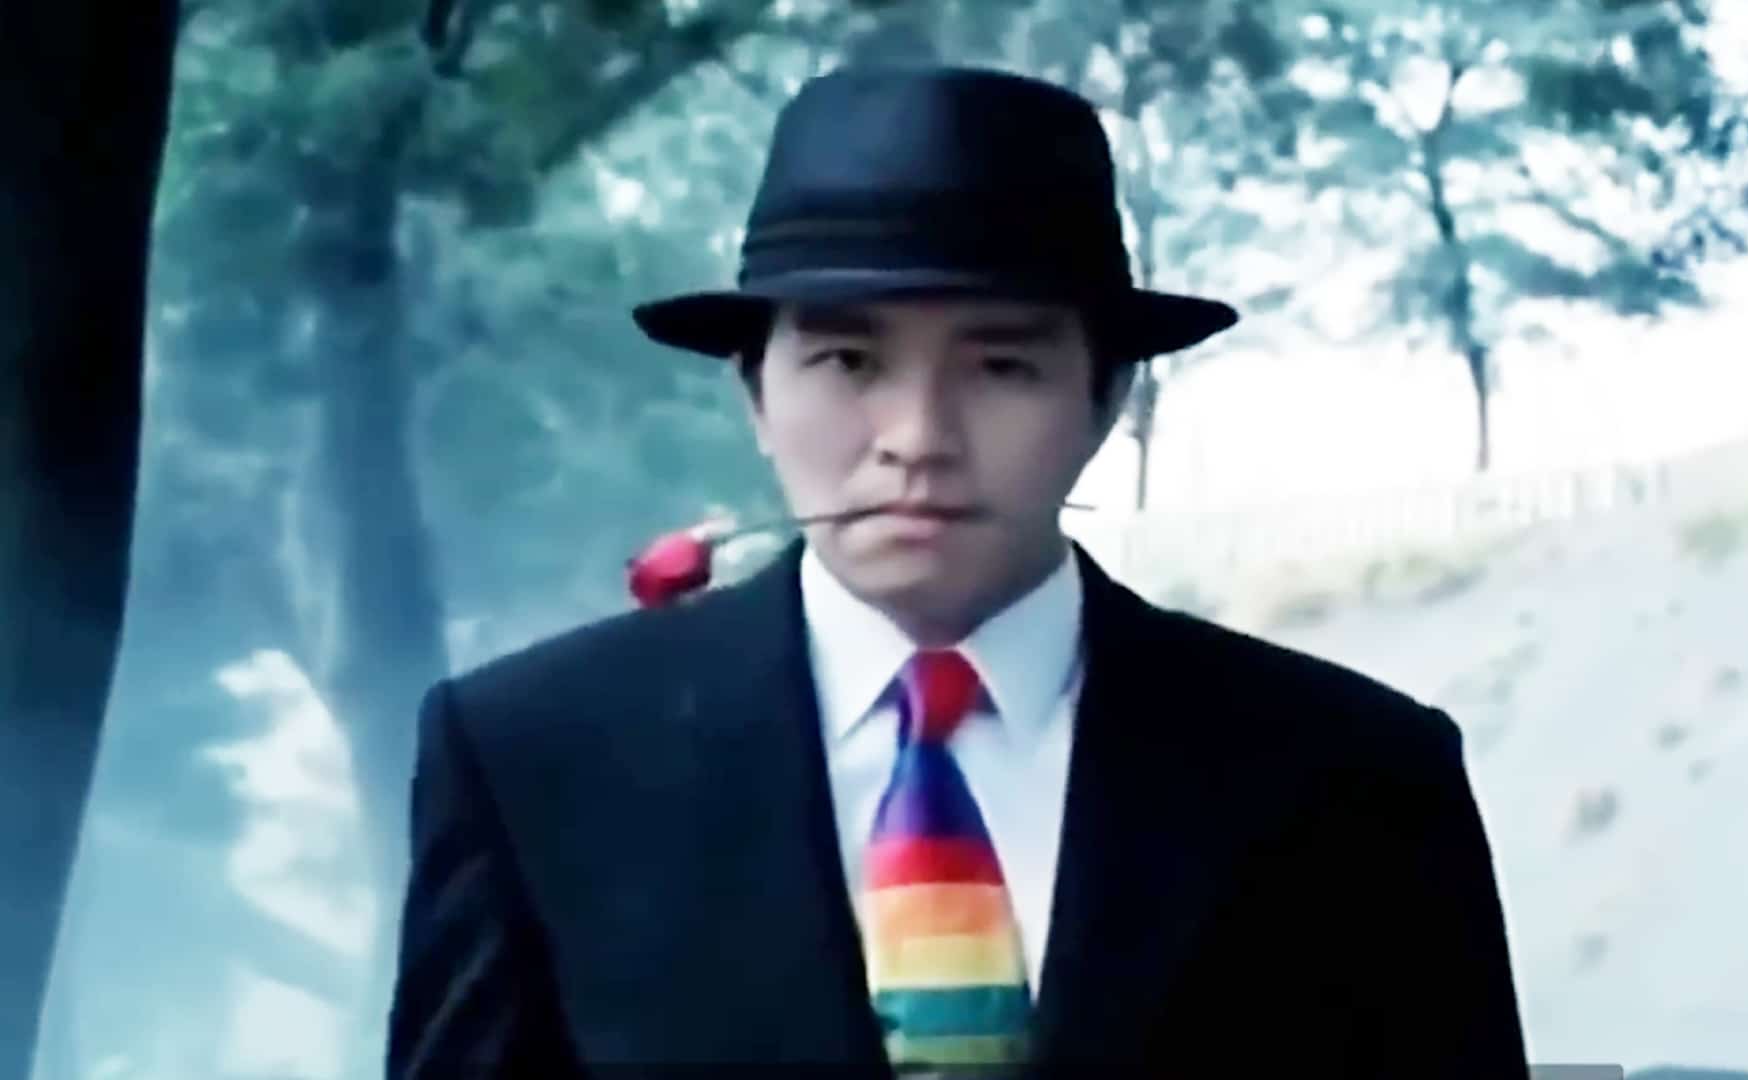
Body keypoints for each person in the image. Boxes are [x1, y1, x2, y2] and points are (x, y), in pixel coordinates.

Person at [385, 63, 1531, 1078]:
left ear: (1107, 397)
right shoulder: (532, 761)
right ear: (755, 392)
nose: (918, 436)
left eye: (1002, 366)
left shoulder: (1354, 779)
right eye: (849, 360)